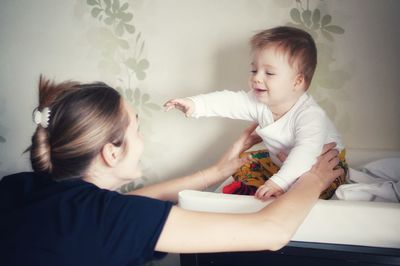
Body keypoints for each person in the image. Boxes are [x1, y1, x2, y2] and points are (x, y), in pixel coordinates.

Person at [0, 76, 343, 266]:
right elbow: (271, 232)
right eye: (136, 128)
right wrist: (313, 179)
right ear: (111, 152)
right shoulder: (113, 219)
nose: (143, 137)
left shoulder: (17, 188)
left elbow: (114, 211)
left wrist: (214, 172)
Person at [164, 26, 347, 200]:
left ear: (297, 82)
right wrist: (195, 104)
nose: (257, 77)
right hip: (282, 164)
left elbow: (305, 152)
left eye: (269, 73)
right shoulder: (260, 101)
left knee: (315, 186)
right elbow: (230, 102)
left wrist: (279, 182)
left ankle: (283, 192)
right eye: (254, 70)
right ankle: (251, 192)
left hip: (322, 166)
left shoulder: (310, 115)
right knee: (245, 164)